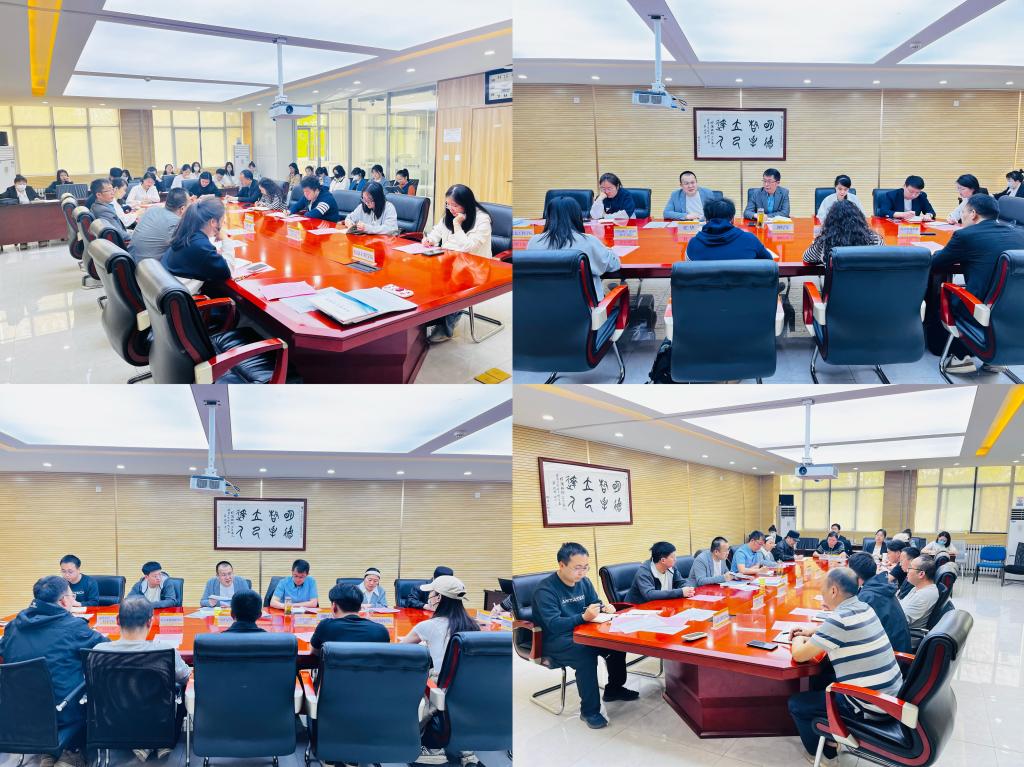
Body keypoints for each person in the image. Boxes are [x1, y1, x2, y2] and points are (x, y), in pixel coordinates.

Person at [787, 567, 903, 767]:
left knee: (797, 704)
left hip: (870, 705)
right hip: (890, 695)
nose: (821, 594)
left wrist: (797, 637)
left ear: (833, 591)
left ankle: (824, 755)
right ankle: (831, 736)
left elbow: (799, 655)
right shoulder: (864, 607)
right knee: (821, 678)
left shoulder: (839, 620)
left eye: (822, 589)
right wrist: (812, 631)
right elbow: (839, 629)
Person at [0, 575, 108, 766]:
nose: (73, 599)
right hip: (62, 711)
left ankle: (50, 752)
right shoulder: (74, 627)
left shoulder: (13, 626)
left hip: (18, 713)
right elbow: (106, 649)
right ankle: (71, 753)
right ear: (63, 601)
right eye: (72, 596)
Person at [533, 542, 638, 729]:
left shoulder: (584, 582)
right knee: (585, 653)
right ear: (562, 565)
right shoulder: (546, 590)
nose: (582, 573)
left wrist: (604, 607)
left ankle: (614, 689)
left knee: (617, 643)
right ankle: (589, 711)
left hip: (584, 631)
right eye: (577, 568)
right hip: (555, 639)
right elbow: (554, 625)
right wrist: (582, 617)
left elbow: (594, 602)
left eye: (586, 567)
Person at [930, 194, 1024, 373]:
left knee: (944, 292)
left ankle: (961, 357)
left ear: (973, 214)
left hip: (981, 309)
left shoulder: (965, 235)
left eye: (963, 213)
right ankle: (996, 358)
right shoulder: (1020, 234)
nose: (962, 217)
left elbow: (936, 264)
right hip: (1017, 310)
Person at [92, 598, 190, 762]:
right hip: (158, 721)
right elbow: (186, 677)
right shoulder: (164, 651)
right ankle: (157, 741)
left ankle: (145, 743)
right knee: (182, 686)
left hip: (113, 723)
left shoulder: (98, 652)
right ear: (150, 622)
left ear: (117, 620)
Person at [402, 575, 482, 766]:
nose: (428, 597)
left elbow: (401, 649)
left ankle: (432, 748)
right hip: (467, 686)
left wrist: (423, 646)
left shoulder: (428, 626)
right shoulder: (473, 625)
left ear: (438, 597)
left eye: (431, 593)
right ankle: (465, 749)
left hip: (439, 687)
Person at [526, 195, 619, 297]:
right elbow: (614, 265)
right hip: (584, 305)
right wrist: (608, 250)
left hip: (543, 303)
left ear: (548, 216)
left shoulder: (534, 242)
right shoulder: (589, 241)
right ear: (577, 216)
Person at [847, 552, 911, 653]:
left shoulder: (868, 596)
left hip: (889, 654)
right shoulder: (880, 585)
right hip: (895, 647)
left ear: (853, 573)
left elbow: (851, 630)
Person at [161, 196, 231, 285]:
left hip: (167, 285)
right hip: (183, 292)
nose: (224, 223)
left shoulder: (186, 233)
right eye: (222, 219)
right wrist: (226, 239)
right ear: (213, 222)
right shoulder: (201, 246)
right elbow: (227, 271)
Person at [311, 584, 389, 657]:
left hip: (337, 668)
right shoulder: (380, 630)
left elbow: (314, 654)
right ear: (360, 607)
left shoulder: (325, 626)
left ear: (334, 606)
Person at [685, 197, 774, 261]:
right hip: (742, 283)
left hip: (707, 283)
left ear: (706, 220)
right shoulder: (750, 240)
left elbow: (689, 272)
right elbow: (769, 263)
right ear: (732, 219)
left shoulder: (694, 243)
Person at [802, 198, 883, 265]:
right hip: (867, 280)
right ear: (859, 219)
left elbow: (806, 258)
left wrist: (817, 240)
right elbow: (884, 259)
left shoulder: (826, 242)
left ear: (830, 222)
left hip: (837, 281)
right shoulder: (875, 240)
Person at [129, 187, 189, 262]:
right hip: (147, 267)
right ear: (182, 209)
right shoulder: (177, 223)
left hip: (130, 260)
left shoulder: (151, 210)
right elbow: (185, 249)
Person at [626, 541, 696, 603]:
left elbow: (681, 582)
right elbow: (650, 594)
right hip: (637, 608)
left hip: (661, 605)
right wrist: (680, 592)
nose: (675, 559)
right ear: (663, 560)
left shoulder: (671, 567)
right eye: (672, 557)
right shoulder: (644, 572)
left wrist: (688, 589)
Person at [898, 555, 939, 632]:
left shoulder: (923, 596)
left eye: (910, 568)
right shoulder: (917, 588)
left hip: (903, 634)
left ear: (921, 574)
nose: (907, 570)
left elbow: (898, 621)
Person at [90, 178, 132, 243]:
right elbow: (121, 235)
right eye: (109, 190)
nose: (113, 192)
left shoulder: (96, 205)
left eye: (112, 189)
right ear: (98, 195)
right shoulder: (104, 211)